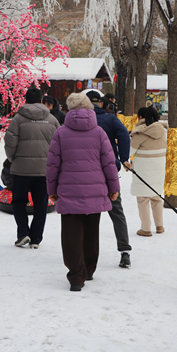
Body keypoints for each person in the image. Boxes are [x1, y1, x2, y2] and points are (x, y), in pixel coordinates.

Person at [46, 92, 120, 291]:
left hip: (68, 191)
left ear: (69, 110)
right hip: (95, 191)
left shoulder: (61, 133)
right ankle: (89, 269)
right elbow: (109, 164)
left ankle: (76, 276)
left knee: (71, 235)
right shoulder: (99, 132)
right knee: (91, 232)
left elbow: (52, 165)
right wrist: (114, 189)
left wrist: (51, 190)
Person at [4, 87, 60, 248]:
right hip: (44, 169)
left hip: (21, 169)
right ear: (42, 100)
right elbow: (58, 144)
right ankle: (35, 239)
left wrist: (12, 159)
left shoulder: (18, 119)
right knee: (41, 204)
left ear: (26, 100)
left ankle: (23, 233)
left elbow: (10, 142)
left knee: (19, 201)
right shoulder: (52, 119)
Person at [86, 89, 133, 268]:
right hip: (109, 172)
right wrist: (124, 158)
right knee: (117, 212)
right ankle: (124, 250)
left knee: (88, 213)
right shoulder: (110, 119)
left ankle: (85, 251)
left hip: (86, 174)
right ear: (102, 104)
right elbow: (123, 135)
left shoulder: (76, 121)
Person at [125, 106, 167, 237]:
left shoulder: (140, 133)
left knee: (143, 199)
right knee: (156, 197)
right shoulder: (162, 130)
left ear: (141, 117)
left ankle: (146, 228)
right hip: (158, 168)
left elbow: (130, 151)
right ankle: (159, 226)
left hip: (143, 170)